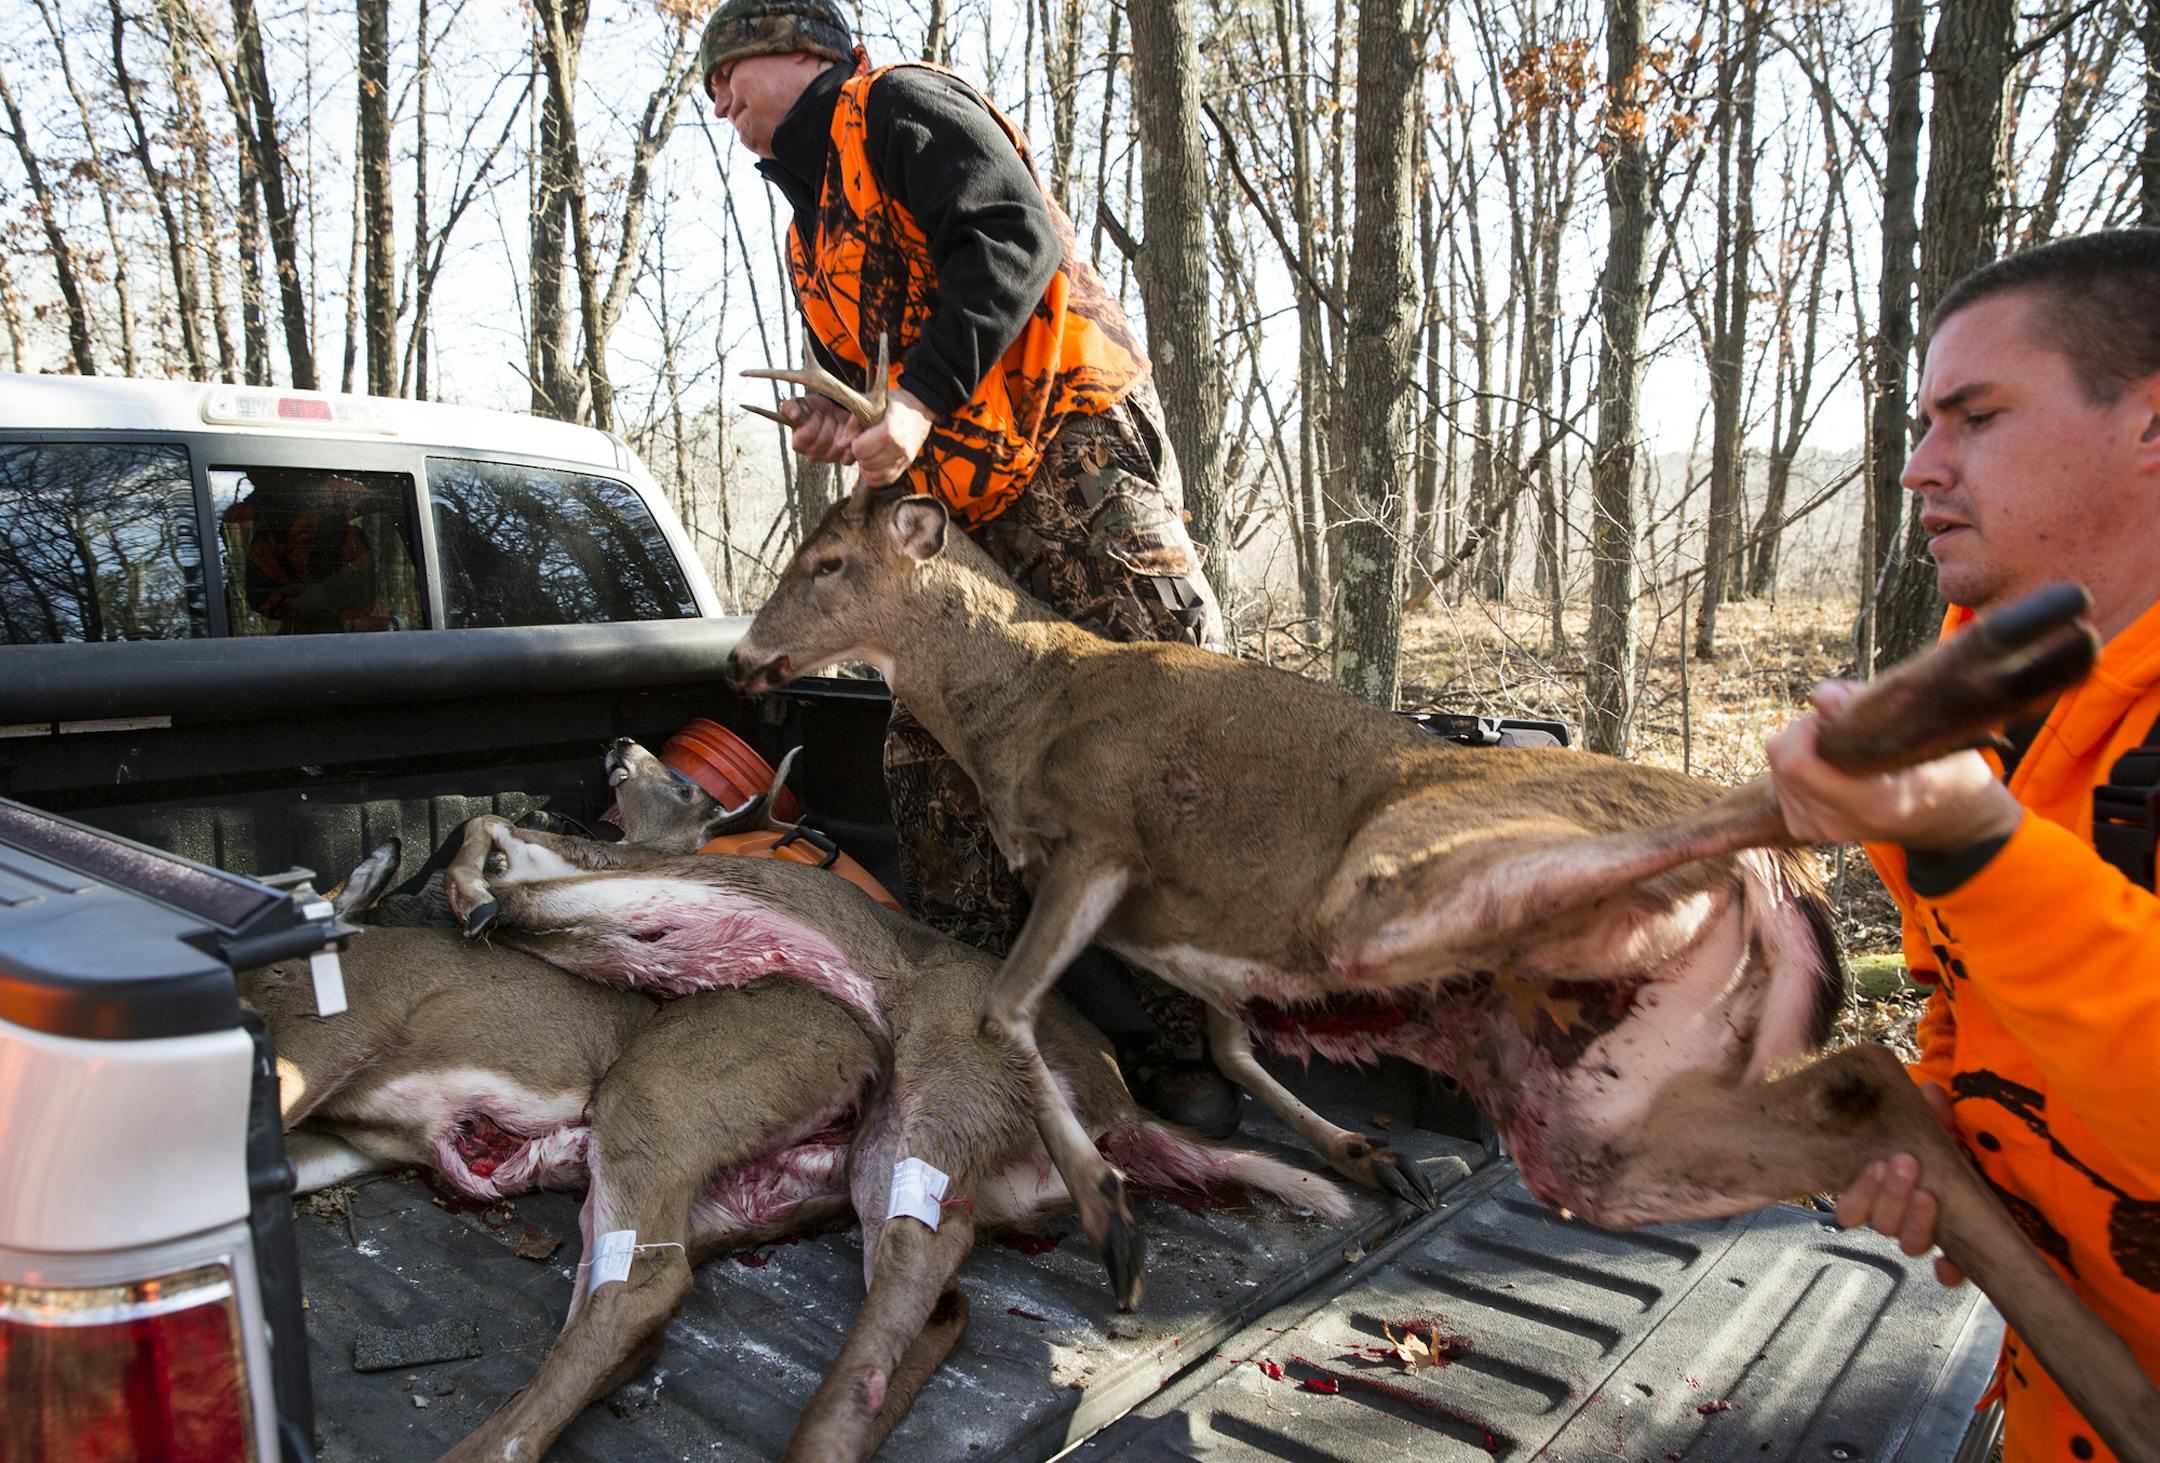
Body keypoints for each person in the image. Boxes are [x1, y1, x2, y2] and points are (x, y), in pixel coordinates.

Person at [697, 0, 1238, 1133]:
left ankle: (1196, 1054)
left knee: (1170, 712)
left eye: (727, 75)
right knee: (932, 756)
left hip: (1067, 440)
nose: (720, 106)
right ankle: (994, 1042)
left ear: (791, 46)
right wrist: (846, 424)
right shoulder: (809, 226)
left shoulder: (895, 106)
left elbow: (1008, 235)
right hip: (959, 506)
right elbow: (876, 379)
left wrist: (916, 401)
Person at [1766, 229, 2160, 1463]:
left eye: (1975, 417)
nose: (1916, 467)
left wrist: (1977, 846)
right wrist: (1954, 1133)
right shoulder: (1986, 719)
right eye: (1924, 421)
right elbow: (1982, 1013)